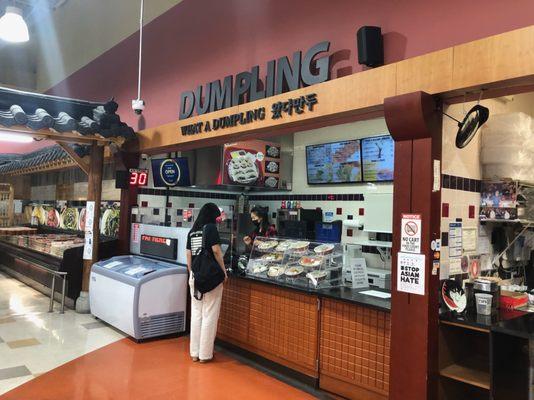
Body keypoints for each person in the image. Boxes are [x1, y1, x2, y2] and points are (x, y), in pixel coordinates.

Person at [186, 203, 228, 363]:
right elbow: (216, 251)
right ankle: (205, 354)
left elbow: (188, 256)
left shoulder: (192, 231)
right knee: (210, 314)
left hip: (195, 276)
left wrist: (192, 274)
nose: (218, 220)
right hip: (210, 276)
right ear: (211, 215)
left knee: (196, 314)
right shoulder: (210, 228)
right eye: (217, 216)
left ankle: (194, 353)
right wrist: (223, 272)